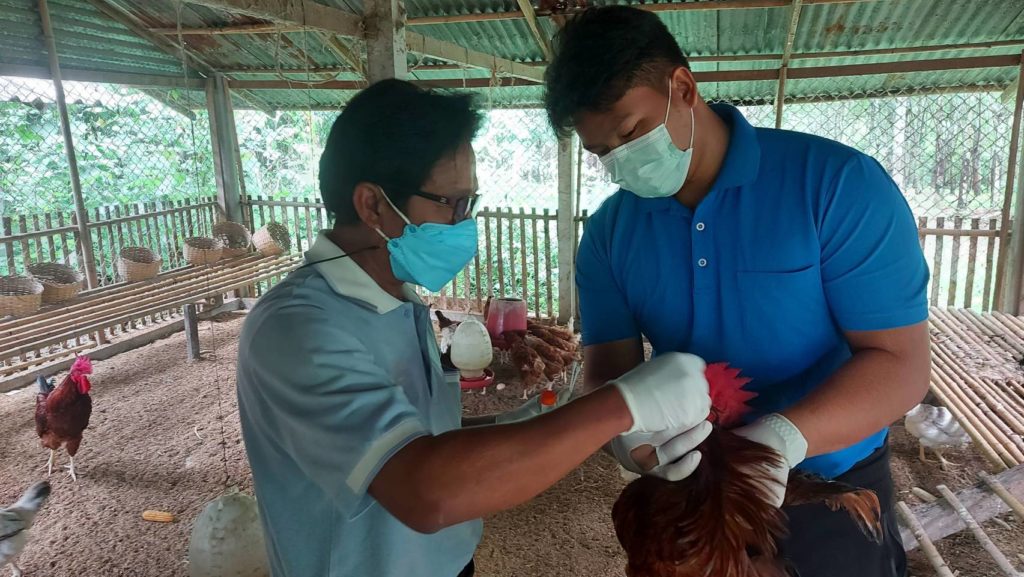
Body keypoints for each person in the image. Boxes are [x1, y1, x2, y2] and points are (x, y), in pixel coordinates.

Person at [235, 78, 714, 577]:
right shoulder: (298, 329)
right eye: (453, 203)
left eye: (471, 203)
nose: (466, 222)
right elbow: (426, 491)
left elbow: (425, 437)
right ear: (372, 204)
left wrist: (538, 423)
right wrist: (620, 404)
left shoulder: (399, 301)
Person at [543, 6, 931, 577]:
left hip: (830, 481)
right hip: (692, 492)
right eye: (603, 152)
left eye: (629, 132)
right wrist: (621, 432)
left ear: (682, 87)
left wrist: (782, 439)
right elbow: (606, 368)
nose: (620, 161)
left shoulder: (836, 187)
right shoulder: (609, 233)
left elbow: (901, 366)